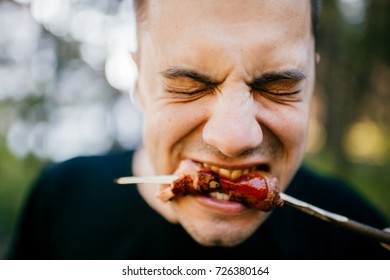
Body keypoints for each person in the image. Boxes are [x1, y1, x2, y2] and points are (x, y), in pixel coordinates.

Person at [8, 0, 389, 259]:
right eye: (189, 86)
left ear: (312, 82)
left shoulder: (359, 241)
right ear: (140, 81)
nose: (234, 138)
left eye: (278, 87)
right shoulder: (60, 200)